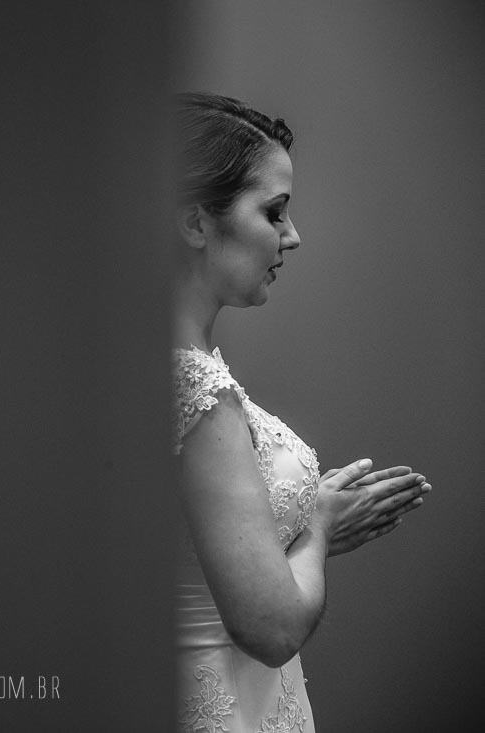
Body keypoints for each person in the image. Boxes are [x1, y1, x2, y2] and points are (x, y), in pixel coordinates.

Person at [170, 92, 431, 731]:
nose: (292, 236)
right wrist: (317, 526)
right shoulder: (195, 389)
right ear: (197, 222)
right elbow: (272, 628)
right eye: (274, 212)